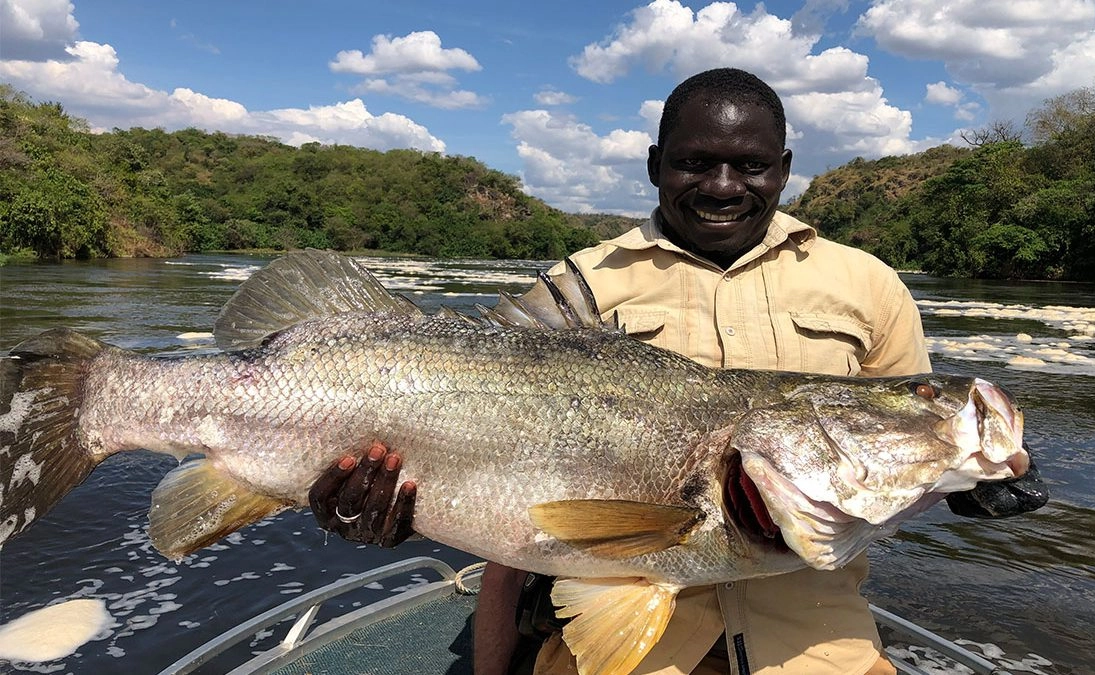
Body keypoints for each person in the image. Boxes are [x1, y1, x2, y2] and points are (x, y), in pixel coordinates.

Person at [312, 68, 928, 675]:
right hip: (615, 647)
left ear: (785, 169)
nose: (722, 186)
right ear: (655, 163)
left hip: (820, 647)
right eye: (694, 163)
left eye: (750, 166)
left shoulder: (868, 285)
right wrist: (399, 512)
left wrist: (967, 478)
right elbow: (521, 500)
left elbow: (897, 446)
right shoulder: (580, 286)